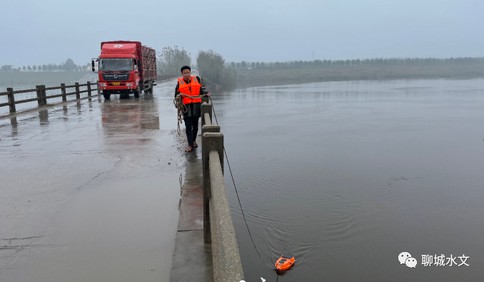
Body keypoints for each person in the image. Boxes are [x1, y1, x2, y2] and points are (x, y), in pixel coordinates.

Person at [175, 65, 210, 152]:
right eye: (185, 73)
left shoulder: (196, 80)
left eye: (188, 73)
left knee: (195, 126)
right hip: (186, 108)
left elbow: (201, 91)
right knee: (188, 127)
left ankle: (193, 140)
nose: (187, 74)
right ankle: (190, 145)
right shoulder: (179, 83)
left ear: (190, 73)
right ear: (182, 74)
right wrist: (178, 98)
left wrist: (206, 93)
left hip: (196, 107)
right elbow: (176, 96)